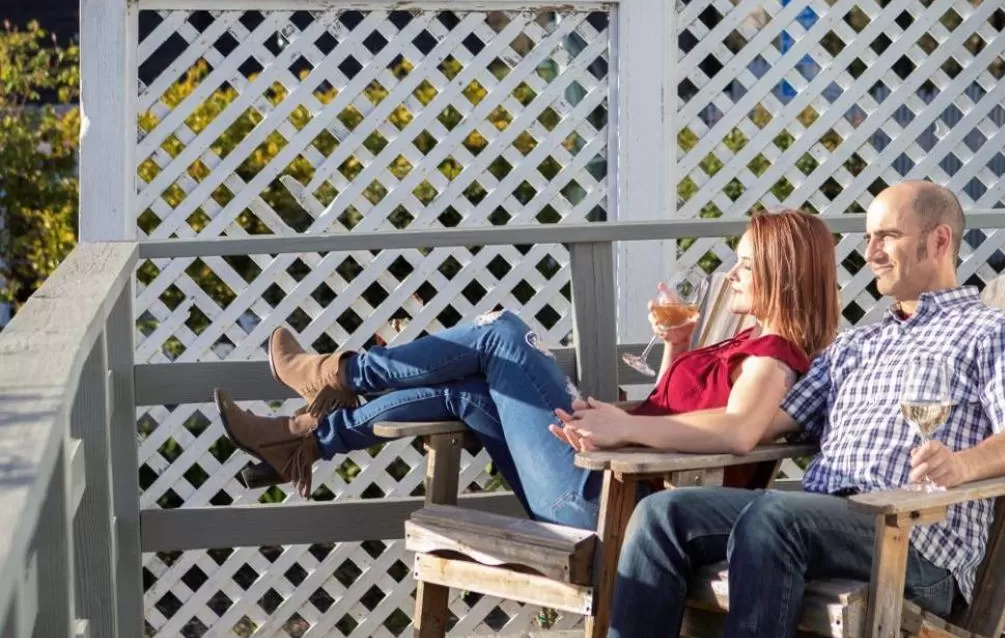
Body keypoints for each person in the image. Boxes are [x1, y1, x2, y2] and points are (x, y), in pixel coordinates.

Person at [512, 180, 1005, 638]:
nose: (870, 253)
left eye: (886, 236)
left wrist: (962, 464)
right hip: (822, 521)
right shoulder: (858, 344)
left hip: (909, 540)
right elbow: (754, 425)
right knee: (663, 515)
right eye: (868, 238)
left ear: (939, 240)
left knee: (775, 517)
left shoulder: (997, 333)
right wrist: (632, 422)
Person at [212, 208, 839, 525]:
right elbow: (679, 411)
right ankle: (301, 441)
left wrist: (623, 428)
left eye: (747, 265)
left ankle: (338, 374)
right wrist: (674, 351)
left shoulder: (775, 355)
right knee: (467, 392)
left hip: (609, 502)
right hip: (603, 473)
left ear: (783, 275)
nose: (733, 274)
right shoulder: (742, 341)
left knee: (501, 334)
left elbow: (736, 432)